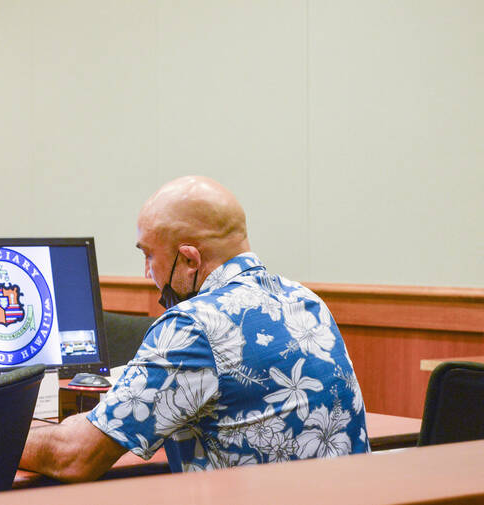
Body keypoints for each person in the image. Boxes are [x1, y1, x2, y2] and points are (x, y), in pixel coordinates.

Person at [19, 175, 369, 481]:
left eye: (149, 256)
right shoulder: (306, 301)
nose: (147, 273)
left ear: (189, 260)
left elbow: (73, 456)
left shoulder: (194, 326)